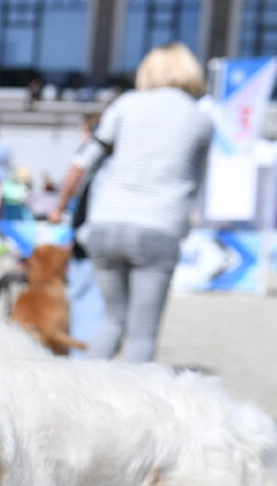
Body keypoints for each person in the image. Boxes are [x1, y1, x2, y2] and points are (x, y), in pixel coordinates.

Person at [49, 42, 212, 363]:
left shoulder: (125, 105)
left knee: (111, 321)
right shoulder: (200, 119)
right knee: (142, 334)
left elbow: (83, 161)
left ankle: (82, 392)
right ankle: (135, 406)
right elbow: (199, 184)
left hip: (106, 224)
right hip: (159, 226)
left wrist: (59, 205)